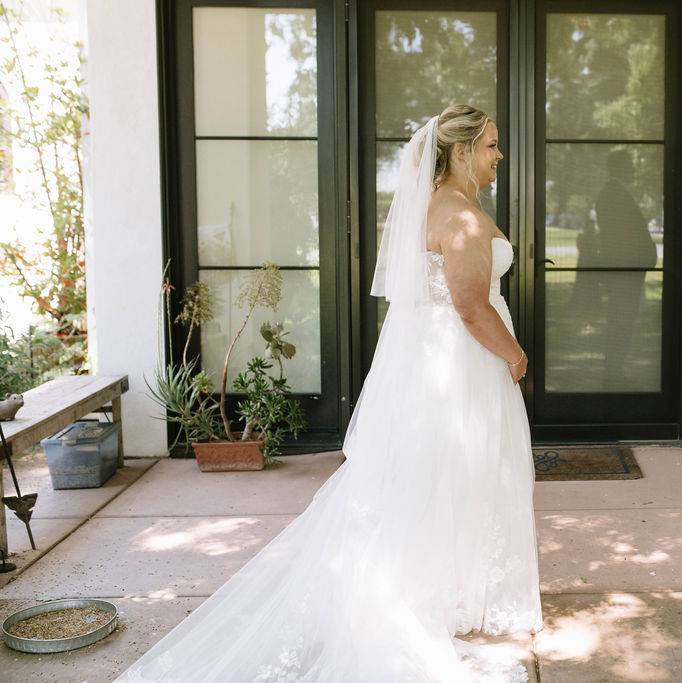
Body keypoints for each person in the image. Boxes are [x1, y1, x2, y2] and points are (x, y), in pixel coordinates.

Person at [117, 105, 542, 681]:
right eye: (492, 145)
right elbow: (470, 306)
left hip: (430, 360)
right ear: (461, 151)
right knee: (454, 472)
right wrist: (515, 355)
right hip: (460, 363)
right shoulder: (462, 217)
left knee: (431, 476)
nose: (499, 156)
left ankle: (440, 591)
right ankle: (434, 597)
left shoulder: (431, 206)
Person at [593, 150, 656, 389]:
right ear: (619, 168)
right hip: (623, 272)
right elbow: (621, 238)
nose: (634, 170)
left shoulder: (615, 194)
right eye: (630, 165)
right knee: (621, 321)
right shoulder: (613, 195)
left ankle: (615, 370)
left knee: (622, 321)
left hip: (627, 271)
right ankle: (613, 373)